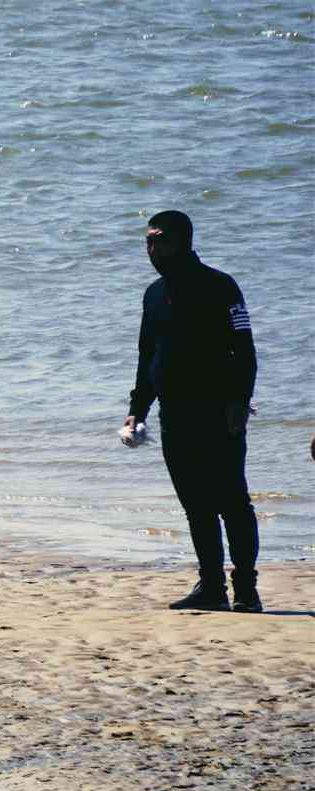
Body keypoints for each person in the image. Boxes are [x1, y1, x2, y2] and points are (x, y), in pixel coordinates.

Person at [124, 210, 262, 613]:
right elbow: (147, 357)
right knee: (196, 504)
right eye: (148, 241)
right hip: (174, 414)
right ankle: (212, 587)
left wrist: (239, 401)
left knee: (232, 501)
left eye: (160, 241)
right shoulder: (154, 294)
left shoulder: (220, 286)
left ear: (183, 242)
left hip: (219, 411)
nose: (153, 249)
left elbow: (245, 350)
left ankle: (246, 589)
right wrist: (137, 409)